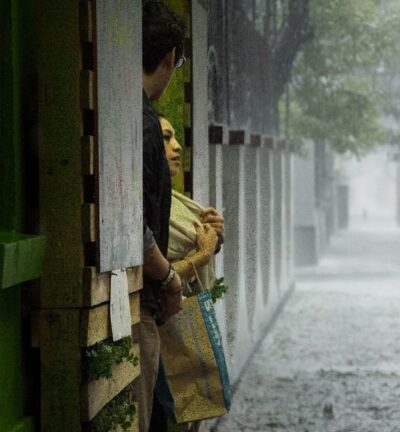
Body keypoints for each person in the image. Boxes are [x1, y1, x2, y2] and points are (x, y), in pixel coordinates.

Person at [136, 2, 186, 431]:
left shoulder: (122, 112)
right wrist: (169, 278)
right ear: (168, 57)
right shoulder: (146, 123)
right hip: (142, 305)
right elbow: (137, 225)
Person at [160, 114, 224, 288]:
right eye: (167, 137)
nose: (178, 146)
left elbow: (192, 247)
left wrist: (214, 237)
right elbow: (152, 278)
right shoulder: (144, 207)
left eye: (175, 138)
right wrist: (203, 255)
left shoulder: (174, 202)